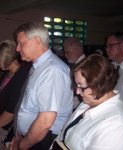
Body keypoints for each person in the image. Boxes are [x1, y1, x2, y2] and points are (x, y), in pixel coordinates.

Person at [51, 54, 123, 150]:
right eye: (76, 85)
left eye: (81, 86)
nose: (77, 92)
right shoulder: (88, 102)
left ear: (98, 85)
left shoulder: (116, 127)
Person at [10, 22, 73, 150]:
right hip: (33, 138)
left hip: (43, 142)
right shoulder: (39, 67)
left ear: (37, 41)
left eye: (21, 44)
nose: (17, 49)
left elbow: (45, 122)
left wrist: (21, 146)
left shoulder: (52, 70)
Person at [0, 40, 30, 148]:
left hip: (8, 129)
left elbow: (11, 112)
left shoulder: (21, 76)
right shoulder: (5, 73)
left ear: (8, 58)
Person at [63, 37, 86, 109]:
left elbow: (79, 97)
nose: (65, 55)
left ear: (77, 50)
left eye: (67, 52)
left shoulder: (84, 66)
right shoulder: (76, 65)